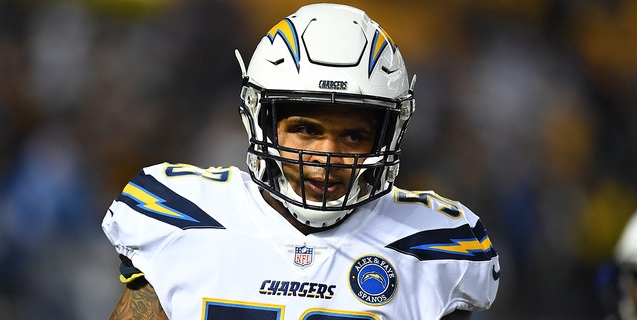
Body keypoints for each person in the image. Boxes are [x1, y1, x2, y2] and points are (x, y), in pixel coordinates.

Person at [102, 3, 500, 319]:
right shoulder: (182, 216)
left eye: (353, 135)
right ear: (261, 122)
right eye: (307, 129)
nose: (328, 154)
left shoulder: (434, 246)